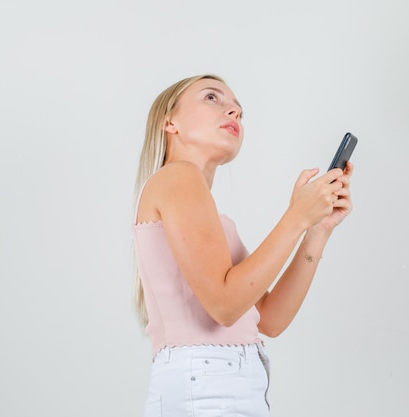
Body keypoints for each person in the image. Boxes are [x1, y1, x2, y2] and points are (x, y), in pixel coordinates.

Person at [132, 74, 353, 417]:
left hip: (215, 386)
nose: (233, 111)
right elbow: (225, 304)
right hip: (206, 388)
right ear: (169, 122)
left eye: (239, 110)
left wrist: (316, 229)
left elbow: (269, 318)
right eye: (212, 98)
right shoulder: (178, 177)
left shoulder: (209, 214)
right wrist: (296, 216)